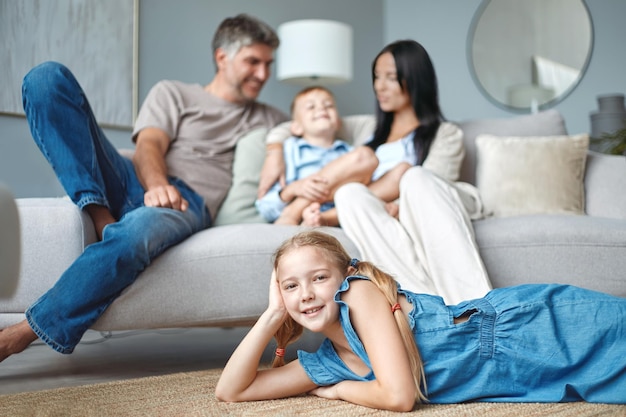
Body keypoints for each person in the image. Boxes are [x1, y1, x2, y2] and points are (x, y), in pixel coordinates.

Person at [0, 14, 288, 363]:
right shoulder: (175, 93)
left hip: (188, 201)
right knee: (46, 79)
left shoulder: (271, 119)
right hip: (138, 178)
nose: (263, 74)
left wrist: (281, 152)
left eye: (268, 64)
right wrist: (157, 184)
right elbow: (149, 145)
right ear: (222, 58)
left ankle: (21, 335)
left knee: (135, 232)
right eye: (253, 62)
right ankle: (99, 212)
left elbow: (319, 140)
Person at [216, 230, 626, 411]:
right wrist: (272, 315)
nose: (305, 294)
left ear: (345, 274)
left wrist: (340, 392)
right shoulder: (327, 362)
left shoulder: (360, 293)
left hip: (536, 325)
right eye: (290, 286)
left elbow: (398, 396)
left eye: (319, 278)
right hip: (527, 374)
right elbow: (231, 392)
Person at [258, 40, 491, 303]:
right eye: (377, 77)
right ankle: (423, 309)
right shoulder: (366, 129)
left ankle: (477, 308)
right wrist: (274, 151)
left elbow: (434, 193)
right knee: (349, 192)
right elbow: (296, 124)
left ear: (415, 80)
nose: (380, 86)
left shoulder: (444, 134)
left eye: (391, 78)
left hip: (412, 203)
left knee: (411, 176)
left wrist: (392, 202)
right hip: (373, 211)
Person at [254, 86, 354, 227]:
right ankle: (303, 218)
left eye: (329, 105)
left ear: (338, 122)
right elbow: (265, 208)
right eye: (311, 107)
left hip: (337, 216)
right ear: (296, 127)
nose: (321, 109)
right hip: (296, 216)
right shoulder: (289, 151)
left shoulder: (350, 154)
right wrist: (293, 188)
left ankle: (319, 219)